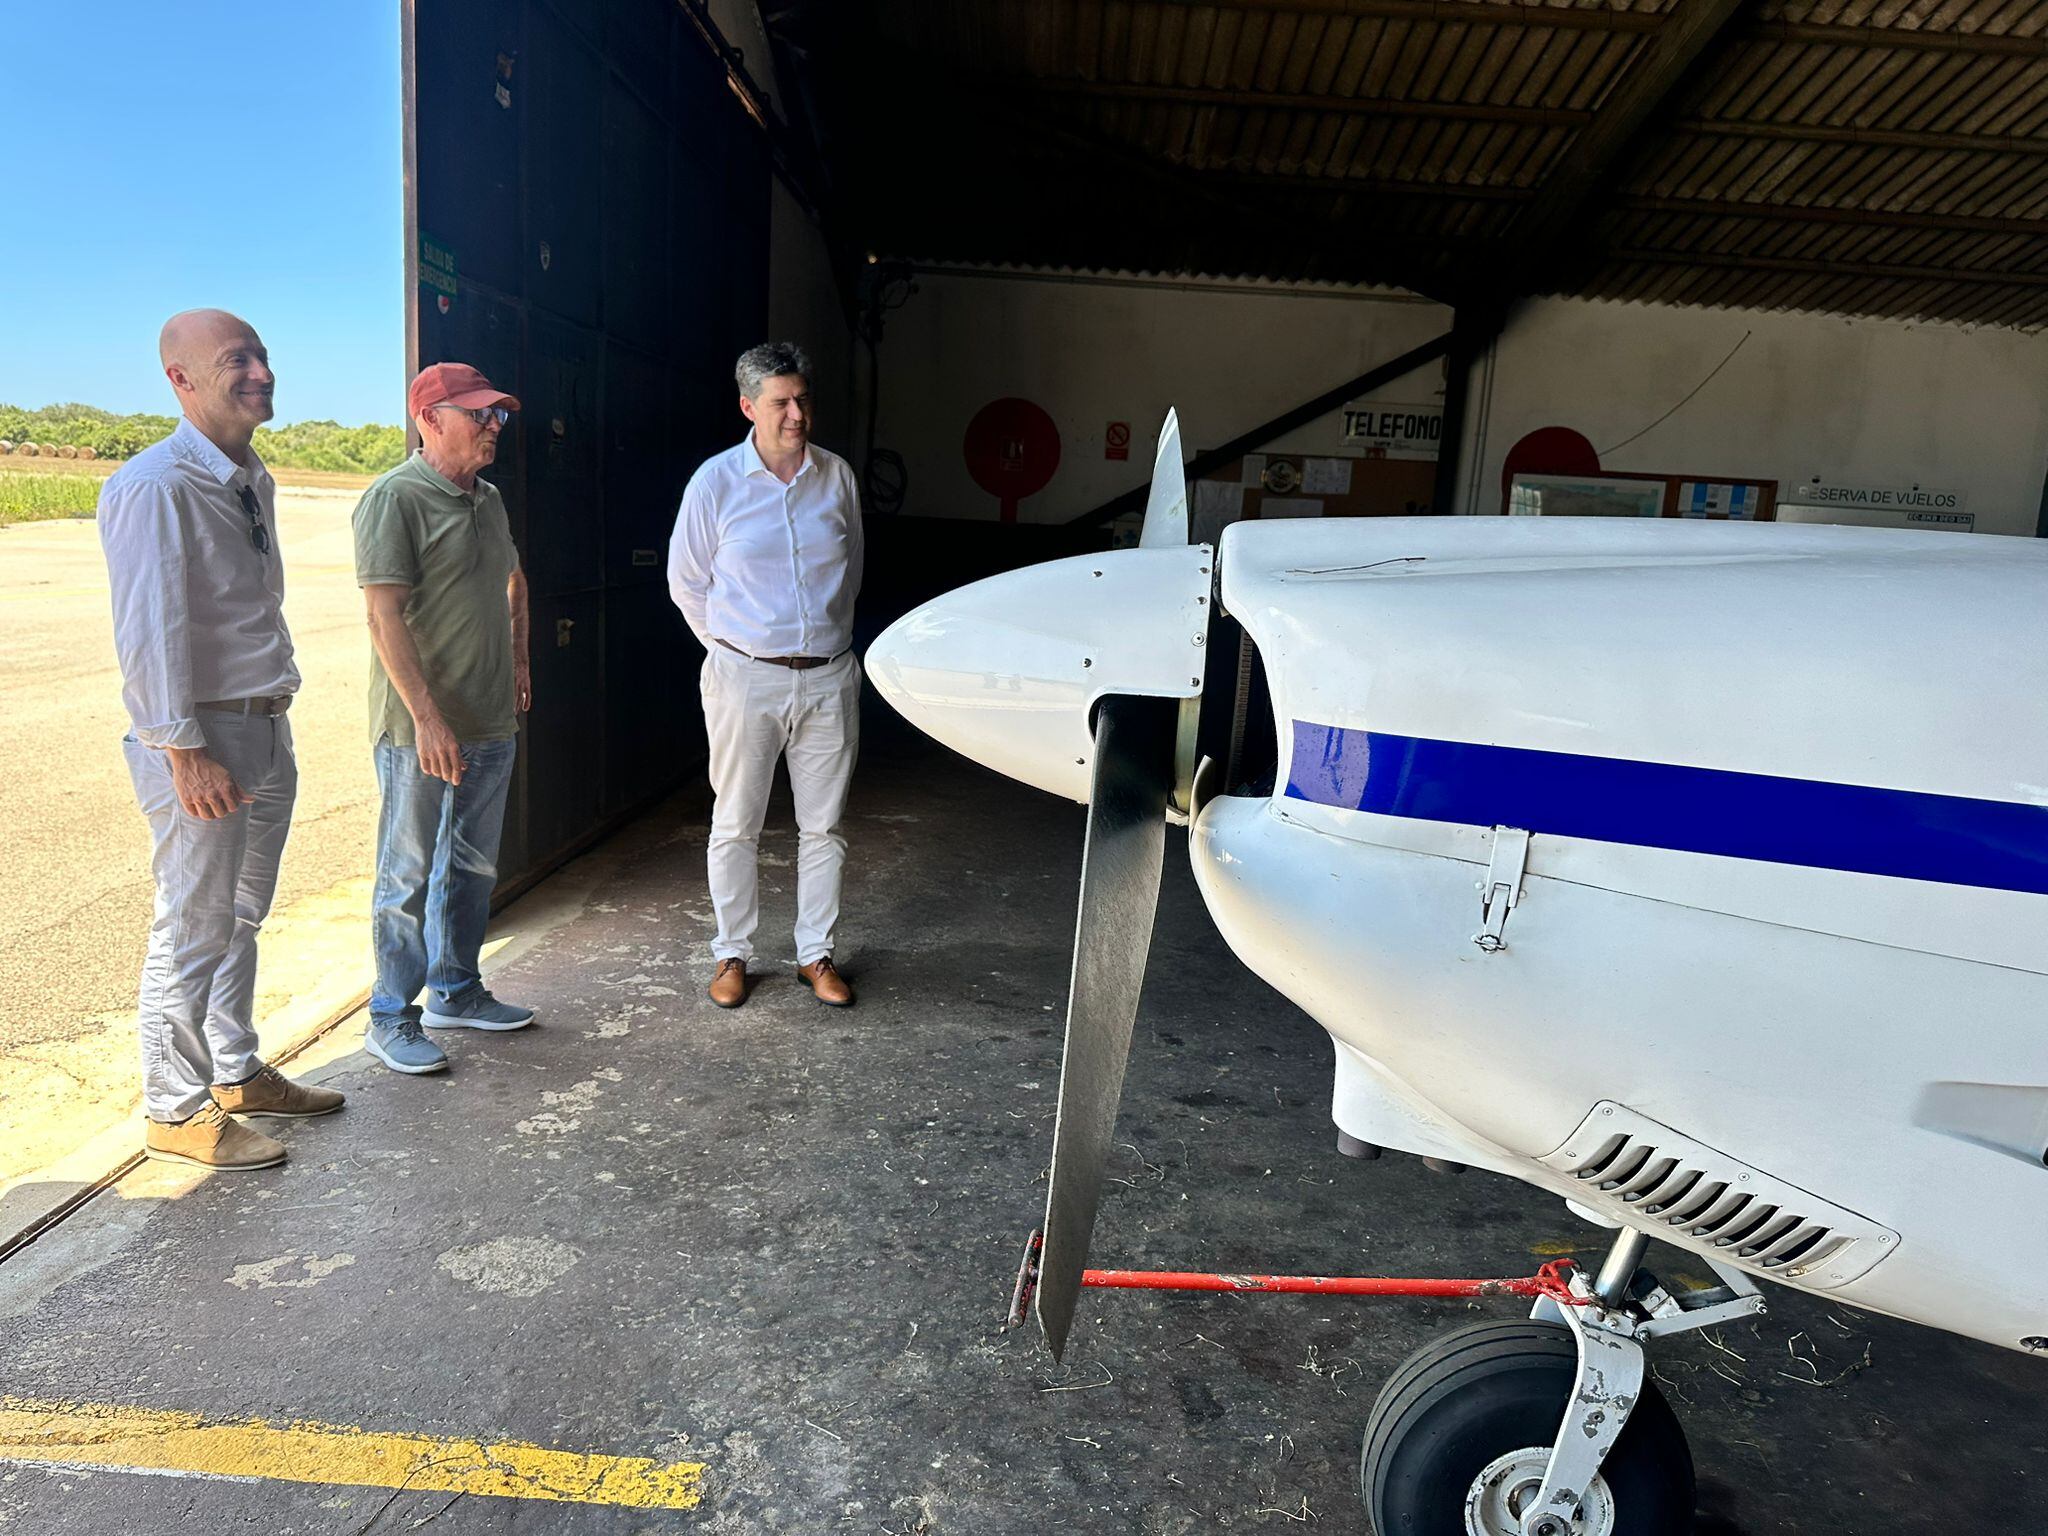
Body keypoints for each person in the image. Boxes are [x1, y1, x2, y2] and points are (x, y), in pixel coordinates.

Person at [98, 309, 345, 1171]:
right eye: (237, 359)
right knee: (194, 921)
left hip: (262, 727)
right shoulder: (156, 484)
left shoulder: (248, 477)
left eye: (262, 356)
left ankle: (235, 1071)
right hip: (203, 740)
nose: (261, 372)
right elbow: (148, 628)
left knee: (241, 915)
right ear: (181, 379)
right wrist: (182, 749)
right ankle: (173, 1108)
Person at [667, 343, 864, 1009]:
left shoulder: (837, 478)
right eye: (781, 402)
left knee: (824, 827)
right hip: (744, 678)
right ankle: (732, 954)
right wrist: (735, 654)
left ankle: (816, 955)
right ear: (748, 407)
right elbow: (686, 583)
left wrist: (821, 645)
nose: (796, 414)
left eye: (802, 399)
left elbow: (851, 570)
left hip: (829, 677)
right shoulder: (715, 483)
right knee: (736, 822)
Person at [352, 363, 533, 1075]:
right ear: (430, 418)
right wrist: (426, 718)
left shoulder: (489, 499)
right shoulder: (394, 498)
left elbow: (515, 579)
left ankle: (456, 990)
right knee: (407, 874)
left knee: (473, 866)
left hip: (489, 718)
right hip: (417, 730)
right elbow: (382, 614)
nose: (494, 426)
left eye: (498, 415)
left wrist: (520, 659)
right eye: (479, 414)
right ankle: (390, 1015)